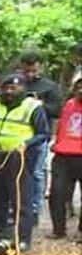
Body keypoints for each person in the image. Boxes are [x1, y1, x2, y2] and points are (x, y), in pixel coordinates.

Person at [0, 74, 50, 252]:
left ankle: (22, 238)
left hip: (20, 159)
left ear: (23, 89)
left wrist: (26, 144)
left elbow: (43, 134)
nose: (9, 92)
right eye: (6, 88)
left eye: (14, 88)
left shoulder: (33, 107)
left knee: (20, 199)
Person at [19, 51, 64, 222]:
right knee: (16, 172)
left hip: (39, 135)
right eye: (26, 71)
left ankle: (34, 209)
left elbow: (57, 110)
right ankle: (16, 208)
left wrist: (39, 104)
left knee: (37, 173)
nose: (30, 74)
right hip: (17, 134)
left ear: (40, 68)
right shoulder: (15, 83)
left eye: (33, 71)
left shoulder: (50, 86)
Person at [48, 78, 82, 241]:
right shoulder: (68, 104)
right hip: (63, 155)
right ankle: (58, 229)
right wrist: (57, 142)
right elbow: (62, 125)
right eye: (78, 87)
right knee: (57, 193)